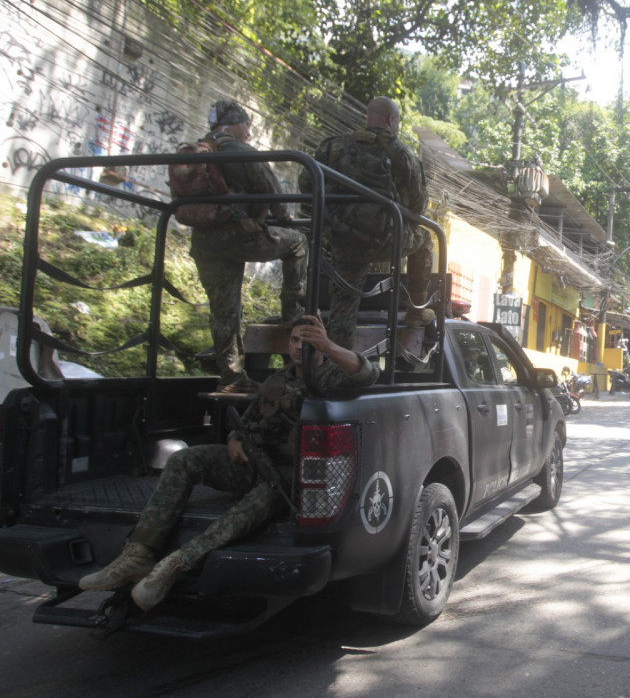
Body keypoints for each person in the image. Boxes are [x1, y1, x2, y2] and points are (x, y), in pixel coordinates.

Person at [78, 314, 379, 611]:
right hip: (254, 462)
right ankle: (139, 552)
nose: (300, 346)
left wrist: (327, 346)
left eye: (308, 340)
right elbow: (250, 418)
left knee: (251, 506)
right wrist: (235, 438)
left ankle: (176, 564)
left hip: (292, 476)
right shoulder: (276, 379)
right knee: (185, 459)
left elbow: (367, 374)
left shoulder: (331, 376)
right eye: (295, 339)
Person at [190, 100, 308, 394]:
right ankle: (292, 314)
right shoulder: (242, 153)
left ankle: (231, 377)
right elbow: (273, 193)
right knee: (298, 244)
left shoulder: (198, 152)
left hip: (205, 243)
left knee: (223, 310)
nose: (249, 133)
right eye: (247, 125)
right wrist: (284, 219)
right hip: (239, 238)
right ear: (235, 124)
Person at [300, 96, 434, 356]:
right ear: (391, 120)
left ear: (368, 117)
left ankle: (337, 365)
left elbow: (307, 186)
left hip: (343, 239)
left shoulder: (333, 147)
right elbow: (419, 207)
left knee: (345, 303)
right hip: (387, 238)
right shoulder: (402, 154)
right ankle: (416, 308)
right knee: (426, 239)